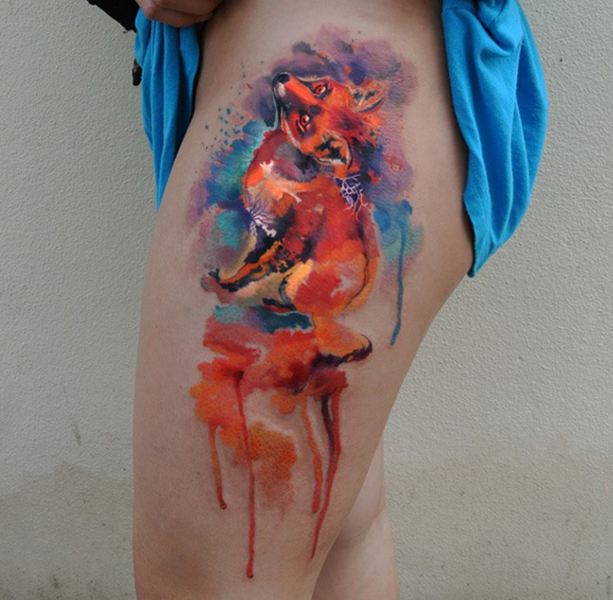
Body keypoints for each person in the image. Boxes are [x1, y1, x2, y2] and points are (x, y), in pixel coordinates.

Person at [88, 0, 547, 597]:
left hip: (338, 24)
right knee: (343, 534)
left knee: (205, 582)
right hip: (366, 53)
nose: (294, 94)